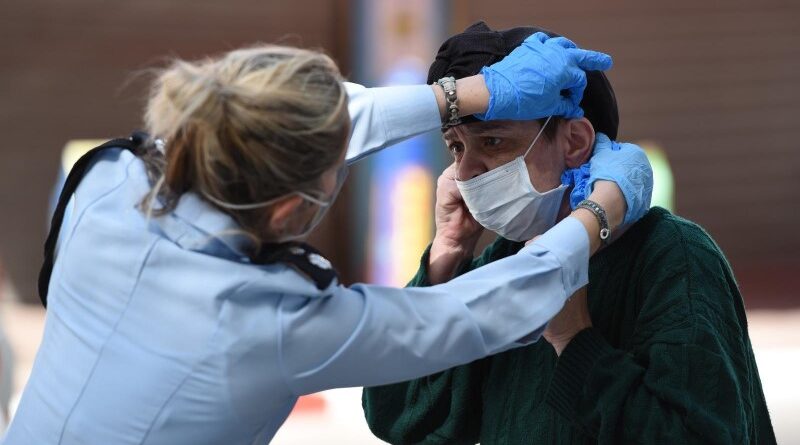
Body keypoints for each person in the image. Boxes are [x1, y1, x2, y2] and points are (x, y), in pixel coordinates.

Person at [3, 38, 652, 444]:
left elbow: (275, 126)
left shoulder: (110, 178)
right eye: (333, 174)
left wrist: (467, 95)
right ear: (292, 209)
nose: (469, 167)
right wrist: (603, 207)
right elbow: (478, 314)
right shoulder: (268, 318)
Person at [363, 22, 776, 445]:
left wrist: (573, 339)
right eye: (456, 147)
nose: (464, 172)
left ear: (575, 141)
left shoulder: (673, 257)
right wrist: (446, 257)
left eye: (491, 141)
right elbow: (398, 414)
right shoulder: (502, 263)